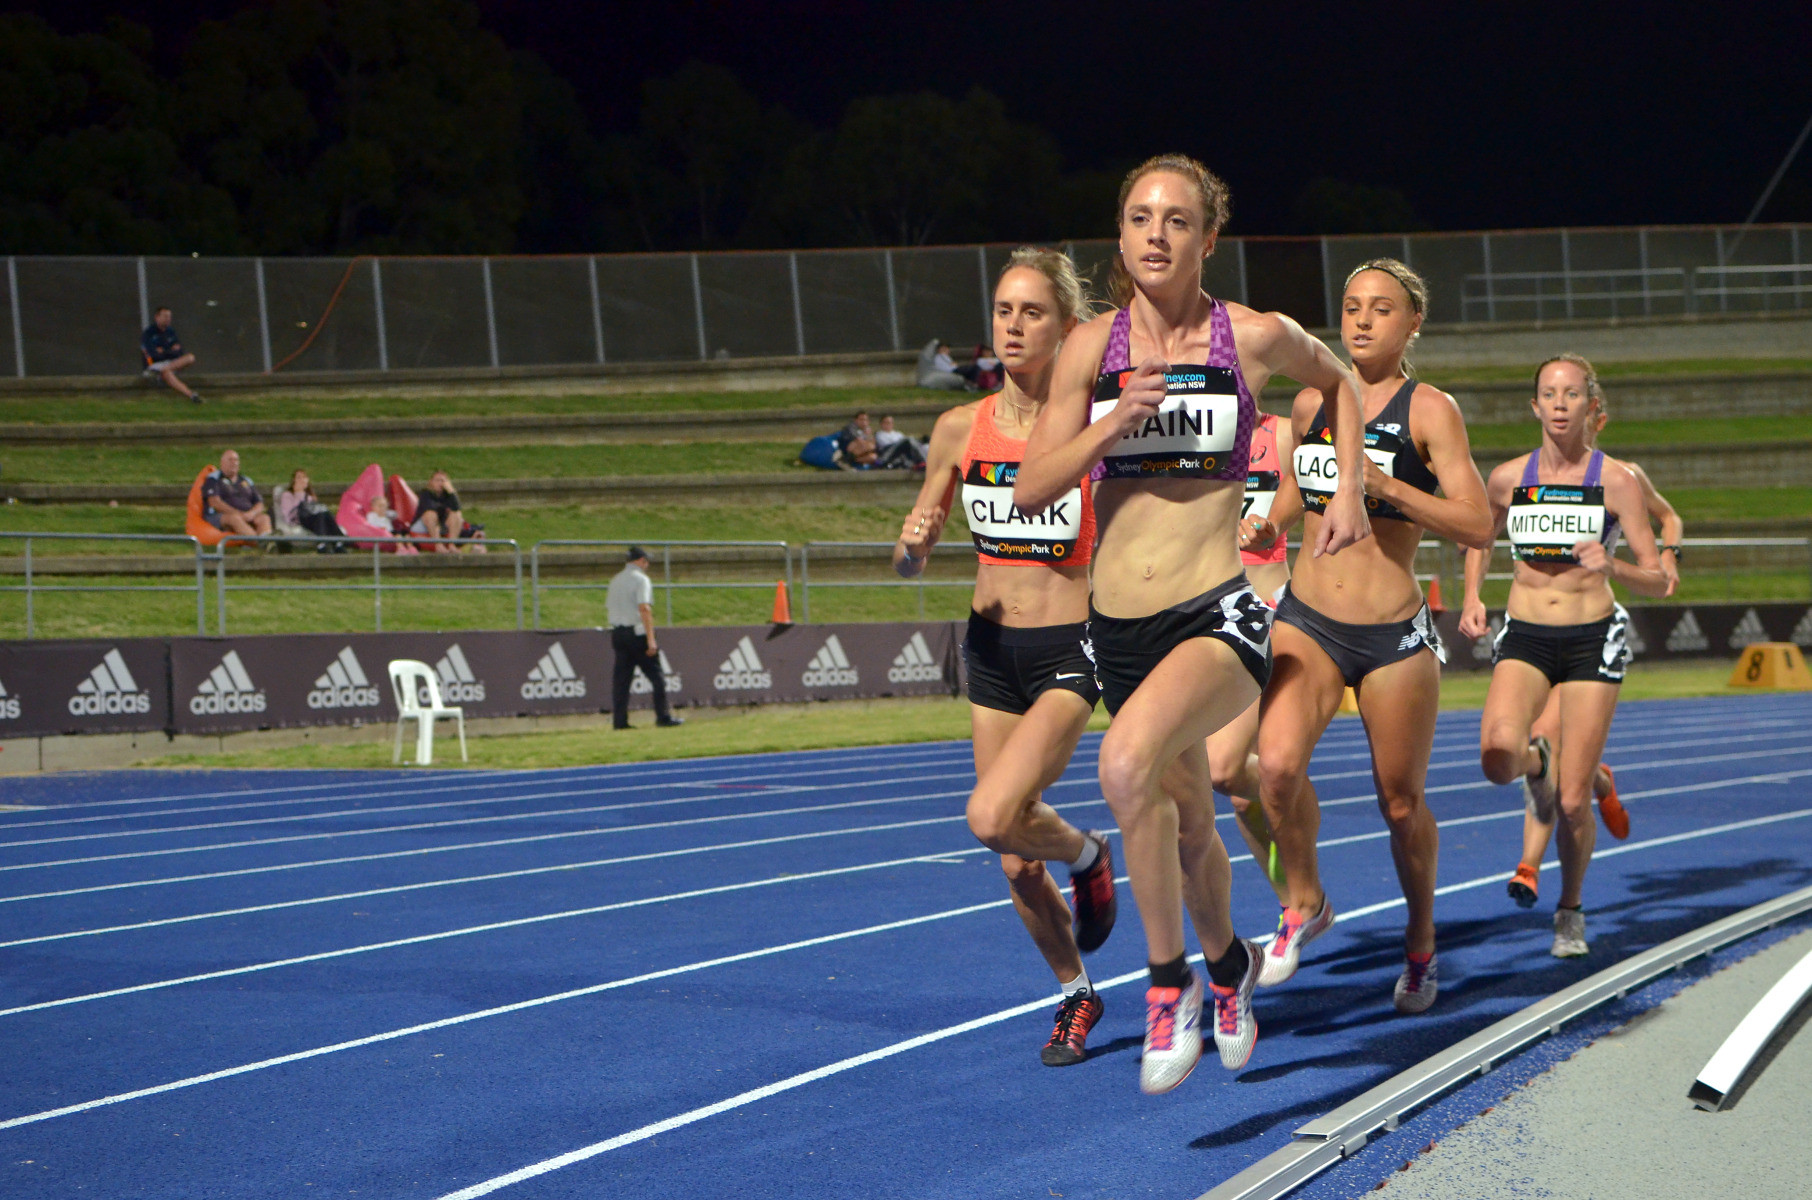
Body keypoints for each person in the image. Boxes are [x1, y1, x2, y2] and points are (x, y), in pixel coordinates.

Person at [1016, 154, 1372, 1091]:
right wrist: (1109, 424)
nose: (1157, 235)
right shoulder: (1090, 349)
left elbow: (1342, 385)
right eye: (1140, 218)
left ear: (1208, 238)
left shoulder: (1252, 336)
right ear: (1121, 233)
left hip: (1217, 612)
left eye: (1177, 220)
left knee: (1123, 766)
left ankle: (1167, 986)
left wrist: (1348, 492)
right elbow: (1033, 487)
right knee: (1185, 828)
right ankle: (1228, 963)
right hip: (1118, 628)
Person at [1247, 260, 1493, 1015]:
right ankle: (1306, 900)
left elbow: (1478, 523)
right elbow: (1300, 484)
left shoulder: (1431, 411)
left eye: (1381, 308)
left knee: (1399, 804)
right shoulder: (1312, 401)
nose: (1360, 320)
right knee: (1273, 768)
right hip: (1309, 619)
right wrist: (1268, 524)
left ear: (1412, 322)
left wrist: (1387, 488)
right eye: (1352, 305)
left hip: (1392, 635)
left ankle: (1420, 943)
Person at [894, 246, 1117, 1068]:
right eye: (1003, 311)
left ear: (1067, 326)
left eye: (1032, 312)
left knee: (994, 813)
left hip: (1071, 646)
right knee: (1017, 859)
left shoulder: (1095, 422)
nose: (1014, 327)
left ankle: (1088, 855)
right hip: (990, 649)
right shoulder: (960, 428)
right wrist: (914, 548)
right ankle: (1076, 991)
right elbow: (912, 550)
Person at [1458, 354, 1669, 958]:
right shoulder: (1507, 478)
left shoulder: (1617, 481)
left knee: (1573, 801)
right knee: (1498, 756)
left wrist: (1615, 565)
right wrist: (1472, 595)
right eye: (1549, 394)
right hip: (1525, 633)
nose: (1559, 404)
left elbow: (1658, 579)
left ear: (1589, 406)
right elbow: (1481, 537)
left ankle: (1570, 910)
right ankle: (1541, 758)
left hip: (1590, 639)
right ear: (1534, 406)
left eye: (1571, 394)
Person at [1512, 404, 1685, 903]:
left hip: (1592, 628)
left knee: (1549, 744)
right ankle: (1597, 786)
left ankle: (1531, 866)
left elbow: (1669, 515)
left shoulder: (1623, 477)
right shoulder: (1535, 477)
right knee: (1545, 745)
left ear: (1598, 420)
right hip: (1537, 628)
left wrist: (1669, 554)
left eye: (1582, 413)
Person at [1203, 406, 1301, 907]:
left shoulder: (1283, 433)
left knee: (1225, 771)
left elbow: (1319, 489)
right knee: (1241, 797)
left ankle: (1294, 796)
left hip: (1267, 612)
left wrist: (1277, 521)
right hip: (1204, 618)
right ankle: (1293, 905)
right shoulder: (1190, 430)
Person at [608, 547, 682, 730]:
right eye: (646, 561)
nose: (647, 565)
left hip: (618, 633)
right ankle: (663, 716)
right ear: (641, 561)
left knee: (622, 681)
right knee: (657, 677)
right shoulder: (641, 580)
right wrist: (651, 639)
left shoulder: (615, 580)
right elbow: (644, 609)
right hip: (637, 633)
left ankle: (619, 721)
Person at [201, 449, 272, 542]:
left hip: (247, 514)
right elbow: (215, 502)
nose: (234, 463)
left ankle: (267, 541)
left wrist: (251, 514)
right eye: (230, 460)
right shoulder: (214, 479)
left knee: (264, 518)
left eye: (236, 460)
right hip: (222, 516)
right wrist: (238, 513)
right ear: (222, 463)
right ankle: (259, 543)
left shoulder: (245, 480)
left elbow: (260, 503)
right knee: (235, 519)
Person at [274, 469, 346, 551]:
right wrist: (298, 493)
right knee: (321, 515)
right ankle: (338, 541)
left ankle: (333, 543)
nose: (301, 480)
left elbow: (314, 510)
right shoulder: (287, 495)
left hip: (313, 519)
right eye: (299, 477)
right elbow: (289, 515)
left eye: (304, 477)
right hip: (298, 519)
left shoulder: (309, 496)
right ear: (293, 481)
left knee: (324, 514)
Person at [141, 306, 201, 403]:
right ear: (157, 317)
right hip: (155, 363)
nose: (168, 319)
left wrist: (164, 351)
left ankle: (162, 373)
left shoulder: (171, 331)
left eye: (169, 317)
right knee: (167, 373)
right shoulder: (148, 333)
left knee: (190, 357)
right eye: (165, 316)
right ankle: (191, 395)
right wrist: (169, 351)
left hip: (170, 363)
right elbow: (152, 354)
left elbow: (179, 352)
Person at [412, 470, 468, 551]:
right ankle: (438, 545)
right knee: (431, 514)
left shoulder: (448, 495)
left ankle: (452, 545)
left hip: (442, 525)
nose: (440, 483)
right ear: (431, 482)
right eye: (437, 480)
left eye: (442, 481)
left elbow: (457, 508)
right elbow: (431, 508)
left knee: (457, 514)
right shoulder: (426, 494)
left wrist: (451, 491)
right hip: (425, 526)